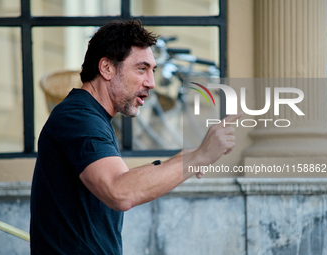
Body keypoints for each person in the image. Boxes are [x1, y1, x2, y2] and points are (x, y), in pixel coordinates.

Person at [30, 19, 241, 254]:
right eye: (141, 69)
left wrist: (185, 158)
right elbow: (119, 192)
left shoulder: (90, 116)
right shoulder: (79, 118)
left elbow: (121, 179)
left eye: (153, 71)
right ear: (106, 68)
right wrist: (198, 157)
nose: (150, 83)